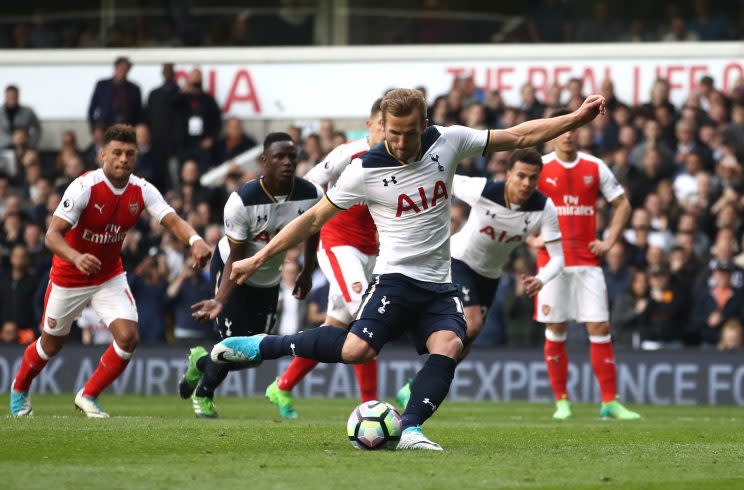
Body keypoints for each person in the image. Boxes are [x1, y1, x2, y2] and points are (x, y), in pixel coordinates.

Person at [208, 88, 605, 451]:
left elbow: (518, 136)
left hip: (439, 281)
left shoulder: (448, 141)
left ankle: (411, 428)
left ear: (425, 125)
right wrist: (259, 257)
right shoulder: (364, 169)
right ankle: (262, 344)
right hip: (394, 279)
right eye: (392, 132)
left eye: (409, 133)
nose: (399, 142)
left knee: (450, 344)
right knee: (357, 350)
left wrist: (575, 119)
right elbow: (313, 219)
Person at [9, 124, 212, 418]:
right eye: (116, 152)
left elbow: (172, 219)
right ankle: (20, 387)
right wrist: (76, 257)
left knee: (129, 336)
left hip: (108, 276)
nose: (123, 159)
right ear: (103, 154)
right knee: (50, 345)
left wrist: (195, 240)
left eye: (130, 153)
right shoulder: (83, 187)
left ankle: (88, 396)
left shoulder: (141, 190)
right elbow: (51, 236)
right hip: (69, 277)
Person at [396, 147, 565, 409]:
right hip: (458, 261)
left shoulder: (544, 208)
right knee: (471, 325)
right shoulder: (484, 190)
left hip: (490, 275)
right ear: (508, 174)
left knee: (469, 340)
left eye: (533, 178)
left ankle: (416, 385)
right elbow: (442, 176)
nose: (526, 183)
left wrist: (541, 279)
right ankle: (423, 384)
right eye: (521, 175)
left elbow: (558, 258)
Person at [184, 132, 323, 418]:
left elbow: (313, 231)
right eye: (279, 157)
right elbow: (236, 256)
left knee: (253, 357)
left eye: (292, 157)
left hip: (269, 279)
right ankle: (204, 394)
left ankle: (200, 362)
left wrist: (307, 271)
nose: (287, 162)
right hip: (234, 272)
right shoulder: (242, 201)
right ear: (264, 161)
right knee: (229, 347)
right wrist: (221, 299)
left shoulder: (311, 194)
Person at [264, 99, 385, 419]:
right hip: (337, 244)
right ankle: (369, 405)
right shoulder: (347, 154)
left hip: (370, 251)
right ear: (370, 124)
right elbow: (310, 184)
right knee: (367, 320)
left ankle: (284, 385)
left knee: (336, 326)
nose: (391, 133)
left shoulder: (397, 158)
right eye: (384, 125)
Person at [534, 108, 640, 421]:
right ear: (552, 132)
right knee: (556, 327)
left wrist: (608, 241)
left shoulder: (595, 167)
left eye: (574, 128)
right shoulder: (539, 168)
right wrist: (529, 239)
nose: (568, 134)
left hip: (587, 260)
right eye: (563, 128)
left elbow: (622, 204)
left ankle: (609, 401)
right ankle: (562, 401)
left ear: (580, 132)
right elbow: (518, 208)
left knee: (600, 327)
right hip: (552, 261)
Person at [87, 57, 143, 131]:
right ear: (116, 67)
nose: (123, 71)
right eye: (121, 68)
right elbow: (92, 108)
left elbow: (139, 112)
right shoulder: (102, 85)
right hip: (105, 127)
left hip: (126, 128)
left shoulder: (134, 89)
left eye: (126, 69)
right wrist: (95, 128)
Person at [0, 85, 42, 149]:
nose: (12, 99)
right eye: (9, 96)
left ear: (18, 96)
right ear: (5, 96)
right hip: (3, 148)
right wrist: (11, 140)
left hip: (25, 147)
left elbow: (37, 129)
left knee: (31, 158)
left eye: (14, 96)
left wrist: (31, 145)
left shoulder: (28, 112)